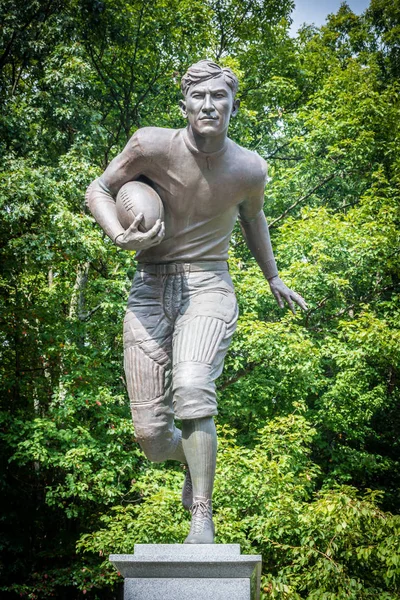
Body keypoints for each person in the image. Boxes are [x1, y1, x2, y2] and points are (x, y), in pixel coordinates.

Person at [86, 60, 307, 544]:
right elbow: (100, 189)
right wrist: (119, 234)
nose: (209, 105)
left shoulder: (249, 168)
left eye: (219, 97)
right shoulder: (150, 145)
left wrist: (273, 276)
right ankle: (192, 459)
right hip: (148, 286)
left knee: (191, 386)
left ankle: (202, 516)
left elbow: (254, 219)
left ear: (232, 105)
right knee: (150, 437)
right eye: (199, 97)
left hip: (210, 285)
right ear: (184, 105)